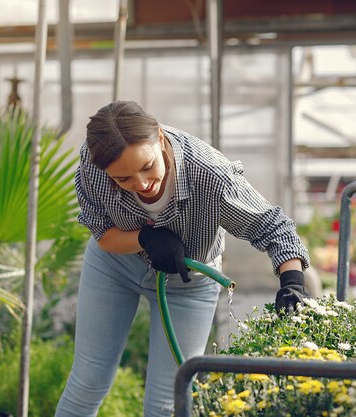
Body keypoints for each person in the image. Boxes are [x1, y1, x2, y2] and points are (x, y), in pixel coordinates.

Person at [55, 100, 310, 417]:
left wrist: (292, 282)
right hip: (115, 267)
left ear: (160, 138)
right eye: (124, 180)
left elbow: (273, 226)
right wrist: (144, 238)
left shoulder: (210, 176)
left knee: (167, 401)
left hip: (189, 283)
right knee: (87, 382)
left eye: (147, 167)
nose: (142, 184)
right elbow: (103, 233)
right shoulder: (95, 164)